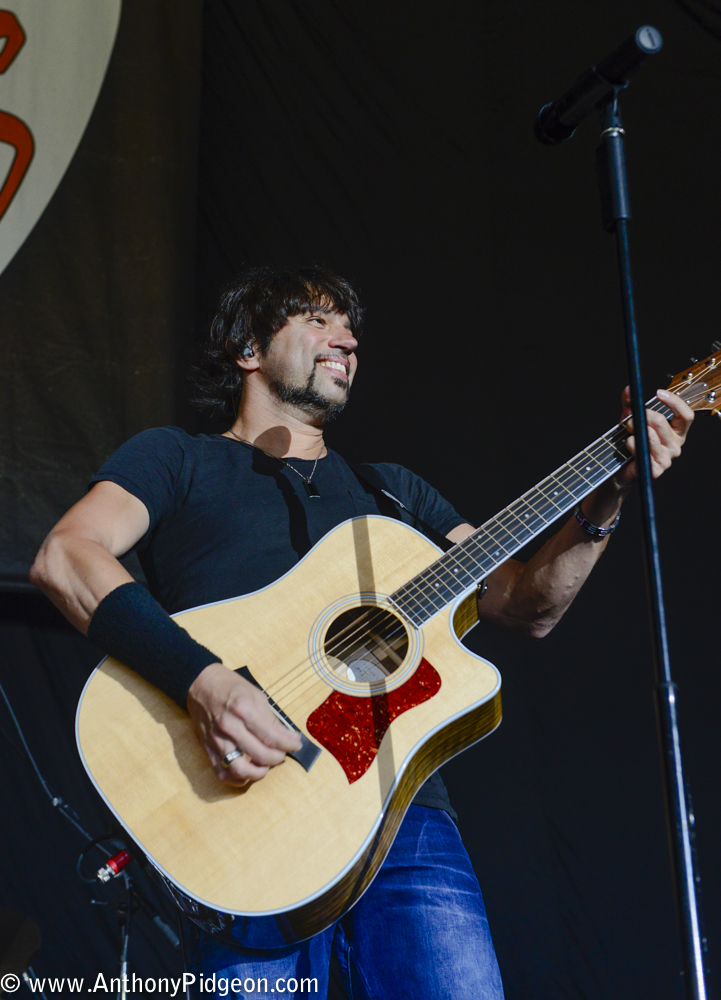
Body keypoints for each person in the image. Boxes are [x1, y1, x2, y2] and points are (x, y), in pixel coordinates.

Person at [30, 266, 694, 999]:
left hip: (403, 818)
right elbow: (68, 555)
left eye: (350, 328)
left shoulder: (392, 493)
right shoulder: (175, 459)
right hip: (239, 806)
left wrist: (609, 488)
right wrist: (207, 683)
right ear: (247, 347)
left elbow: (522, 602)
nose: (345, 338)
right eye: (317, 320)